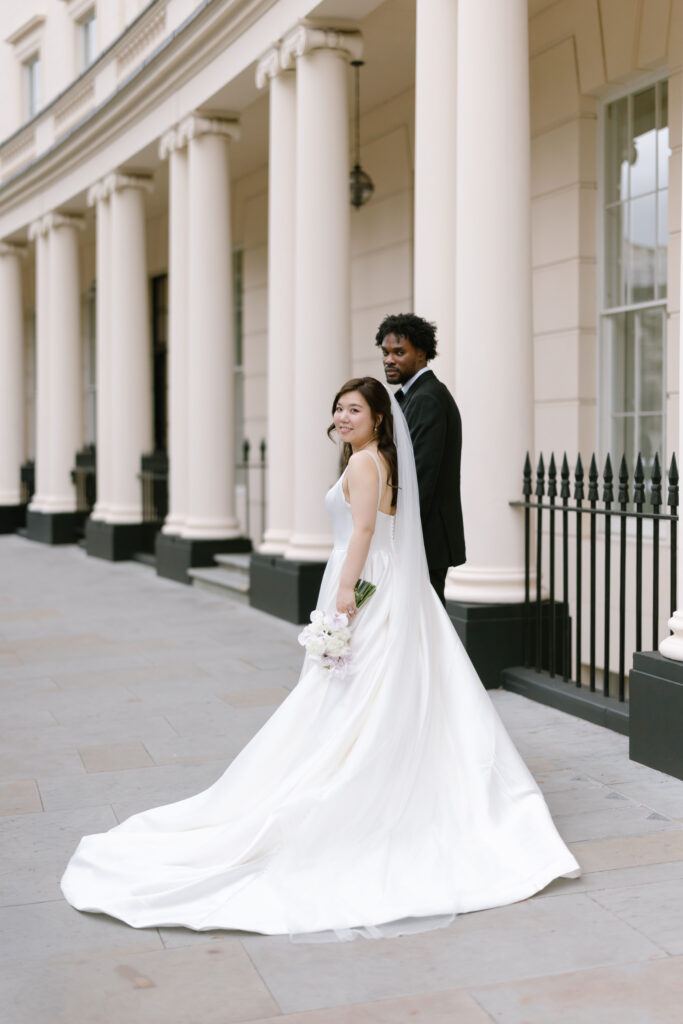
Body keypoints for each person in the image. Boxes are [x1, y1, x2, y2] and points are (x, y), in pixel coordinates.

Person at [60, 376, 580, 940]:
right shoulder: (381, 460)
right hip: (386, 582)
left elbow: (360, 531)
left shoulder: (362, 465)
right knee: (380, 689)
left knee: (350, 691)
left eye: (354, 409)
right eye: (337, 408)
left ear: (379, 417)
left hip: (362, 582)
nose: (342, 416)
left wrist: (343, 597)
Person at [376, 313, 465, 605]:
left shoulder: (427, 398)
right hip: (419, 536)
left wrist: (396, 536)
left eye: (399, 352)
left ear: (422, 354)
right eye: (385, 352)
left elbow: (419, 478)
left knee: (425, 629)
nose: (389, 360)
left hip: (424, 539)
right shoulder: (413, 395)